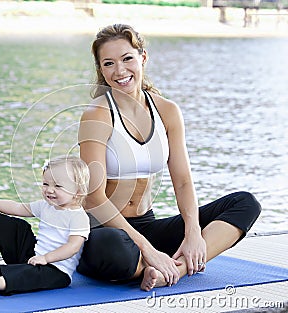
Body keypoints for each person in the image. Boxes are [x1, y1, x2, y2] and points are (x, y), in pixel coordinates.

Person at [77, 24, 261, 291]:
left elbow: (183, 180)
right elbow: (94, 197)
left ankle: (175, 270)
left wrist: (193, 232)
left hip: (146, 224)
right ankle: (146, 263)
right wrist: (147, 249)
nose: (119, 71)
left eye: (127, 58)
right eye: (109, 63)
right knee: (113, 248)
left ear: (143, 58)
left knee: (245, 203)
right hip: (101, 231)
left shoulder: (167, 111)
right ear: (101, 70)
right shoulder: (97, 114)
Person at [0, 155, 90, 295]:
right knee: (20, 227)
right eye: (46, 184)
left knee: (33, 275)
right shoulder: (45, 206)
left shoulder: (78, 217)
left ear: (78, 192)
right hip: (33, 257)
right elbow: (16, 208)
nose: (49, 190)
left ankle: (2, 282)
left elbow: (72, 247)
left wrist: (46, 258)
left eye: (57, 186)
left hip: (56, 270)